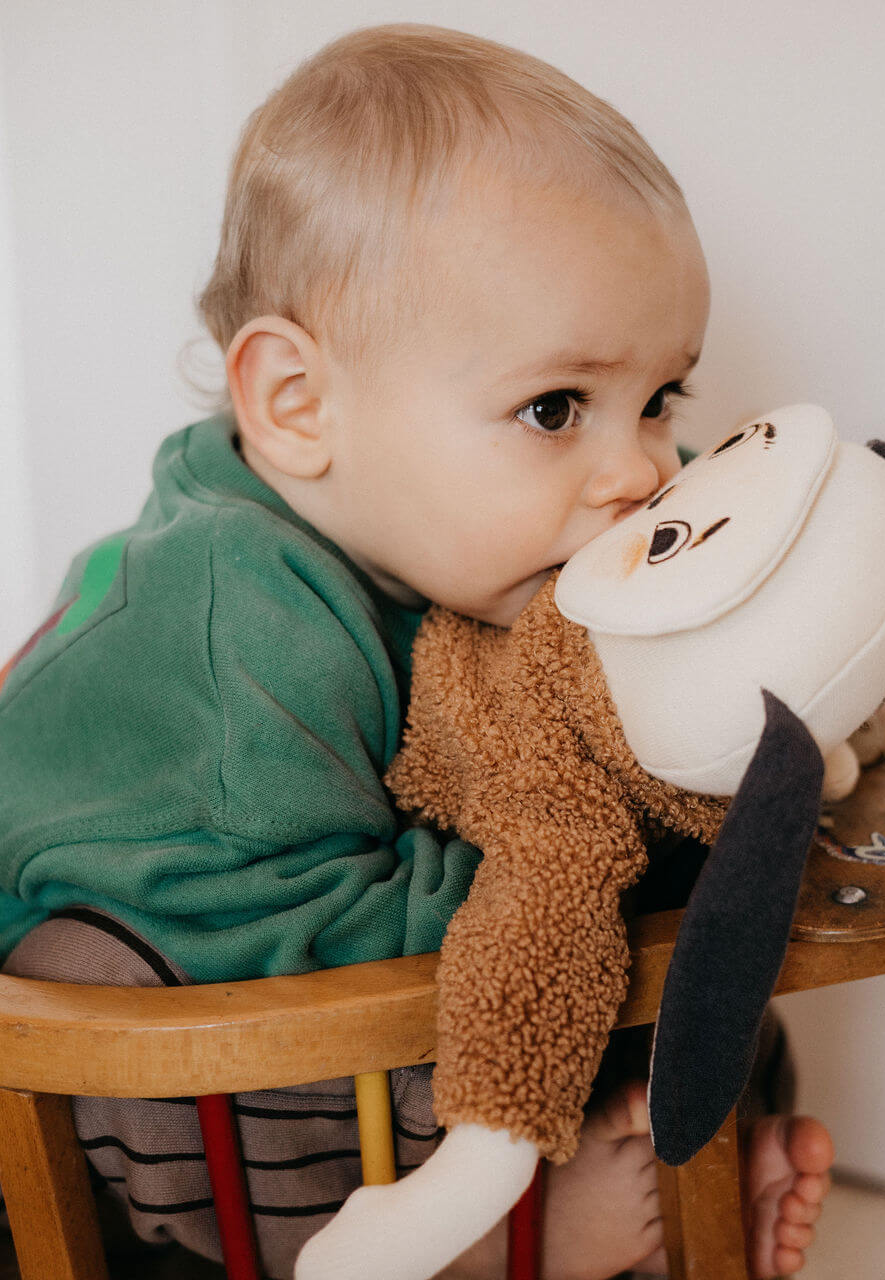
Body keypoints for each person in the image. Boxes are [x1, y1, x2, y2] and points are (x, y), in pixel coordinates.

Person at [0, 23, 834, 1280]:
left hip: (287, 938)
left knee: (691, 941)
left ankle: (678, 1144)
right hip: (121, 1095)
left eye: (662, 398)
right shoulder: (239, 624)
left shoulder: (434, 548)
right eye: (556, 408)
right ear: (298, 405)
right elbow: (278, 941)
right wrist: (566, 857)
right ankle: (489, 1236)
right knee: (139, 981)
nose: (642, 472)